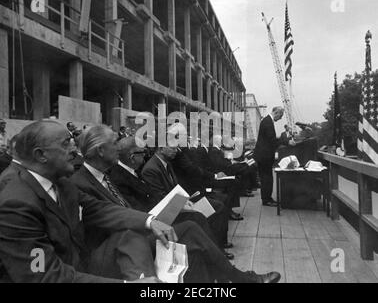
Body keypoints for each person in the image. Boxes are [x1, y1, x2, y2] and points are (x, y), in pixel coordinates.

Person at [69, 125, 280, 283]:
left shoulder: (103, 176)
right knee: (190, 228)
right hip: (115, 249)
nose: (118, 147)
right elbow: (104, 221)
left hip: (134, 233)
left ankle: (230, 279)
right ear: (100, 151)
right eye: (114, 143)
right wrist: (150, 221)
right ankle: (238, 278)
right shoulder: (79, 183)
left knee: (194, 242)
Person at [0, 121, 173, 283]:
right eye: (66, 143)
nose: (75, 150)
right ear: (40, 155)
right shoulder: (17, 204)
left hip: (81, 266)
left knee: (129, 233)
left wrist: (150, 221)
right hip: (60, 276)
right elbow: (44, 275)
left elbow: (98, 209)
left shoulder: (62, 184)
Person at [254, 107, 294, 206]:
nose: (280, 119)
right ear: (276, 113)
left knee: (266, 178)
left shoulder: (266, 121)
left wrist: (281, 139)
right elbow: (271, 140)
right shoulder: (268, 122)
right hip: (265, 156)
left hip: (263, 155)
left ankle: (267, 198)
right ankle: (267, 200)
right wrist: (287, 141)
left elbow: (271, 138)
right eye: (280, 116)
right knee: (267, 178)